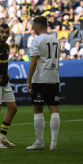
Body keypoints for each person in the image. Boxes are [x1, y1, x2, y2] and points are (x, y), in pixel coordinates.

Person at [26, 16, 60, 150]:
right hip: (54, 78)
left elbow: (33, 62)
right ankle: (53, 143)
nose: (33, 28)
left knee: (37, 110)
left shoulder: (36, 40)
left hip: (40, 79)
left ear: (37, 26)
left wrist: (28, 80)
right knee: (54, 110)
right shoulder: (56, 40)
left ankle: (39, 142)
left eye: (34, 26)